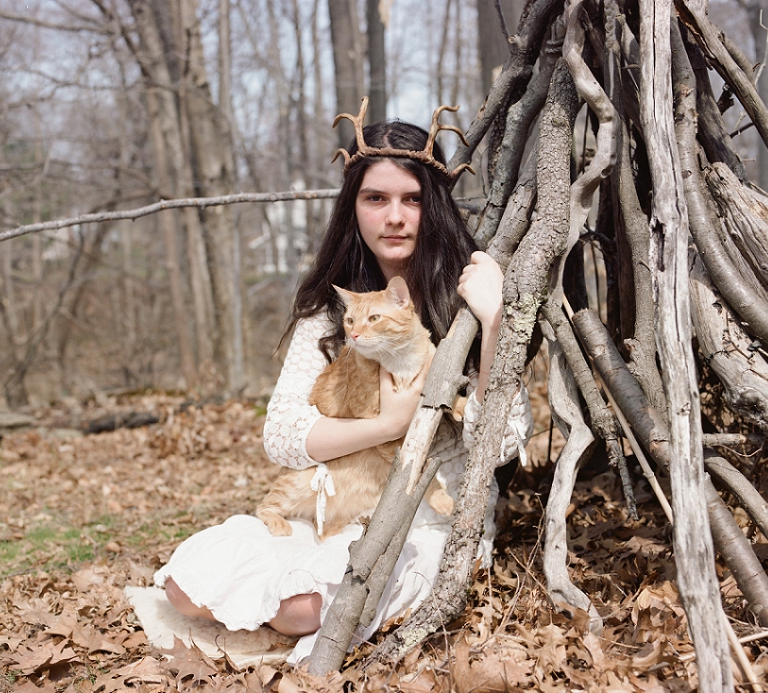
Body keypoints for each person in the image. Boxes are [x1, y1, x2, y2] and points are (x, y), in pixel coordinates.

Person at [154, 100, 533, 664]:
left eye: (412, 199)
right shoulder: (331, 311)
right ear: (353, 208)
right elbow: (282, 434)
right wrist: (389, 423)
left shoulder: (466, 302)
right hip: (334, 506)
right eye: (375, 199)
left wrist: (495, 320)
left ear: (434, 207)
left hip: (426, 515)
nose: (395, 217)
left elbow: (500, 446)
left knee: (303, 607)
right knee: (185, 585)